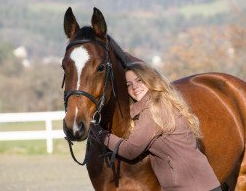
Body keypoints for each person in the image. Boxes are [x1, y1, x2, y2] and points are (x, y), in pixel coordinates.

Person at [91, 62, 221, 191]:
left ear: (150, 80)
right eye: (128, 84)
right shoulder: (160, 103)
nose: (134, 87)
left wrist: (99, 132)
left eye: (139, 80)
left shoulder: (154, 111)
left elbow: (129, 151)